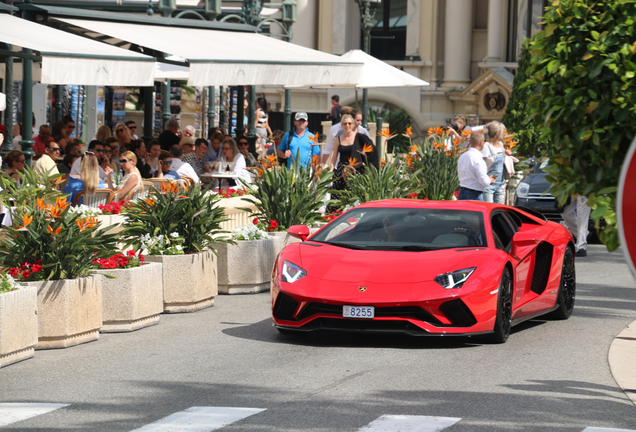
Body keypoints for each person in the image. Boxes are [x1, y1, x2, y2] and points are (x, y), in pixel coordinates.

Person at [327, 114, 378, 212]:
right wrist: (330, 171)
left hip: (355, 171)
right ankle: (334, 217)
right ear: (342, 125)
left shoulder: (360, 137)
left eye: (349, 123)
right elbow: (333, 157)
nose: (347, 125)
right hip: (341, 171)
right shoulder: (338, 138)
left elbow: (372, 151)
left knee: (353, 196)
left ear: (353, 124)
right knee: (336, 196)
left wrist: (366, 165)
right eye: (345, 123)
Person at [457, 131, 496, 201]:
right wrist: (490, 180)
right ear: (481, 142)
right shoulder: (478, 159)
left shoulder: (462, 156)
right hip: (474, 195)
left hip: (462, 192)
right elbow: (485, 182)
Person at [481, 121, 512, 204]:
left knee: (499, 210)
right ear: (498, 133)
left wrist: (507, 153)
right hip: (488, 185)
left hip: (501, 184)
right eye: (503, 133)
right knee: (489, 209)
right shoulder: (486, 147)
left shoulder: (501, 144)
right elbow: (480, 165)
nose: (504, 135)